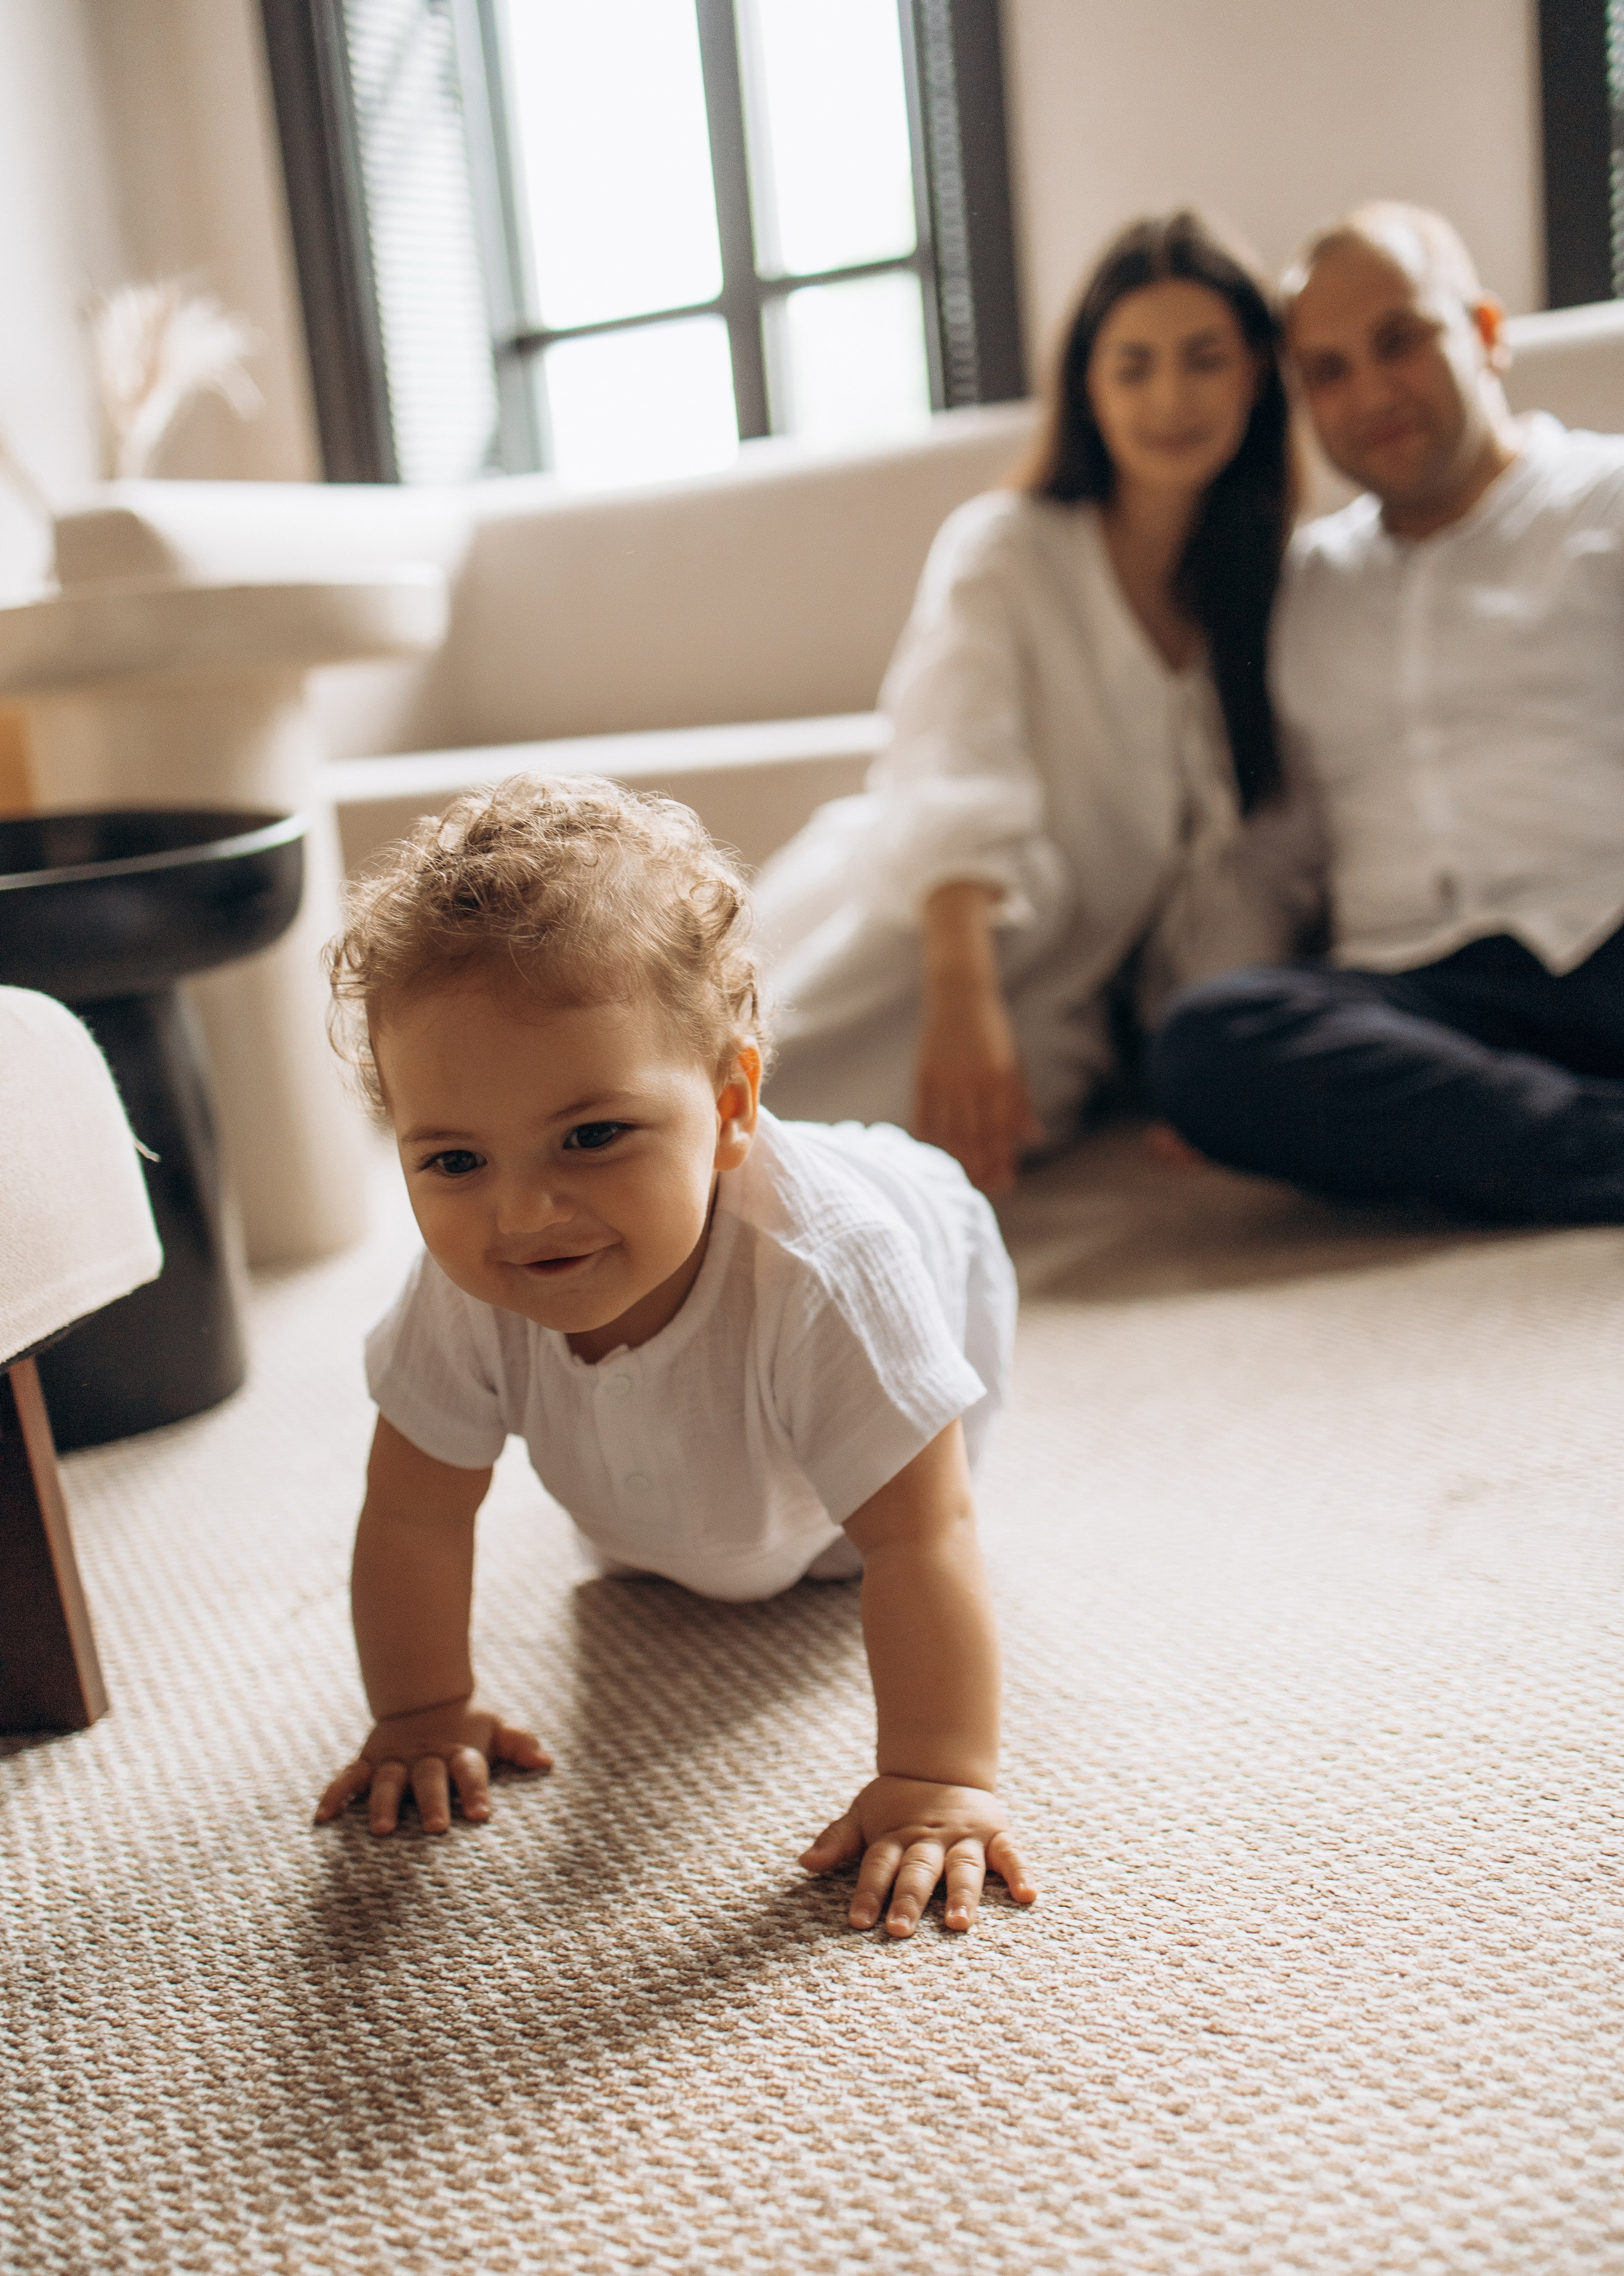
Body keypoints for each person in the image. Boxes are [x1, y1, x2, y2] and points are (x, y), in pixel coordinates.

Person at [313, 776, 1037, 1942]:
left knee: (866, 1530)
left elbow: (923, 1537)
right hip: (664, 1462)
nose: (524, 1213)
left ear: (732, 1103)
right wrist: (421, 1710)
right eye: (452, 1161)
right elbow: (413, 1515)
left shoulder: (836, 1273)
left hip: (916, 1267)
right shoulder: (471, 1289)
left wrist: (938, 1779)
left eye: (592, 1136)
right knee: (653, 1538)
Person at [755, 209, 1321, 1194]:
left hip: (1059, 991)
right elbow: (949, 761)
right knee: (717, 1118)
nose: (1170, 398)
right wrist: (961, 998)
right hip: (922, 929)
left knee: (906, 1174)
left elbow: (1242, 862)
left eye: (1204, 359)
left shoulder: (1269, 588)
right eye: (1133, 365)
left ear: (1258, 373)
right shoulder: (1006, 545)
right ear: (1088, 387)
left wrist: (1222, 1069)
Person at [1151, 203, 1624, 1225]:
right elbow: (1275, 851)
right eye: (1326, 371)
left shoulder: (1607, 501)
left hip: (1609, 932)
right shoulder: (1299, 587)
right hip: (1419, 999)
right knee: (1206, 1044)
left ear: (1488, 335)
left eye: (1399, 342)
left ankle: (1541, 1148)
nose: (1370, 393)